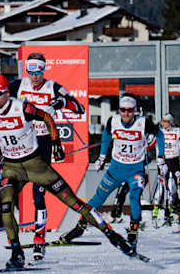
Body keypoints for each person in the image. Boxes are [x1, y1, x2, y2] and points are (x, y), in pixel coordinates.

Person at [0, 75, 134, 270]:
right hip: (12, 166)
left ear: (7, 93)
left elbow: (47, 117)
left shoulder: (22, 107)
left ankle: (113, 235)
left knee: (73, 202)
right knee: (6, 206)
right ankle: (16, 253)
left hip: (35, 164)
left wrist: (56, 142)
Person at [57, 96, 156, 251]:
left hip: (135, 170)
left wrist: (161, 158)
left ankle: (133, 232)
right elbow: (106, 135)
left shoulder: (144, 122)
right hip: (116, 169)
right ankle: (80, 227)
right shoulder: (113, 121)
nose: (126, 114)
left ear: (134, 110)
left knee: (134, 197)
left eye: (129, 110)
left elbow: (161, 135)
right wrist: (102, 156)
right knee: (97, 198)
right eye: (123, 110)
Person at [151, 113, 180, 227]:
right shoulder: (159, 132)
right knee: (163, 187)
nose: (163, 123)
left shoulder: (177, 131)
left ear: (170, 122)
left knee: (177, 186)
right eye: (162, 121)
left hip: (174, 161)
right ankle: (164, 211)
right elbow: (150, 143)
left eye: (165, 121)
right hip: (163, 161)